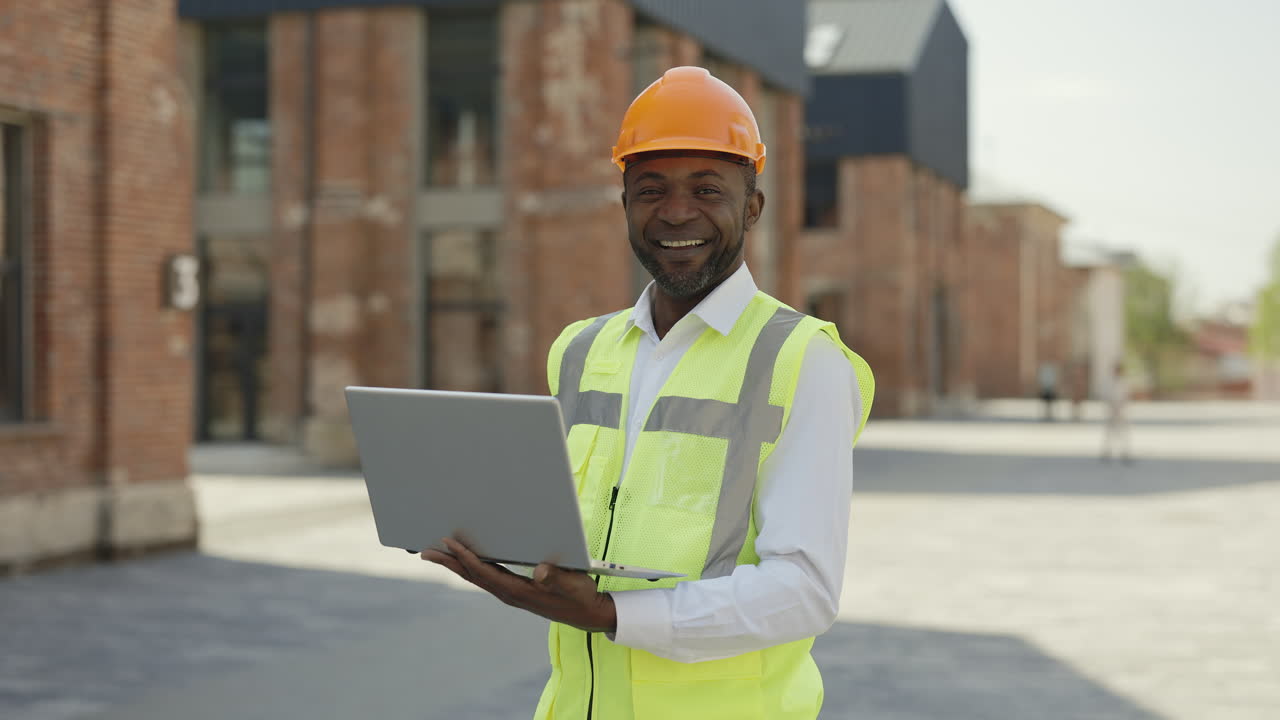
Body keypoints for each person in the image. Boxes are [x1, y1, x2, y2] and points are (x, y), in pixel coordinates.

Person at [422, 67, 874, 719]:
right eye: (651, 188)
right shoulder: (578, 351)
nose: (676, 211)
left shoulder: (803, 360)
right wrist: (507, 563)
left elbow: (804, 590)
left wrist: (608, 614)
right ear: (625, 202)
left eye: (706, 188)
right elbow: (581, 537)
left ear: (752, 205)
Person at [1101, 360, 1132, 463]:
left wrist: (1121, 407)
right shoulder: (1109, 382)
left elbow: (1126, 396)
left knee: (1123, 432)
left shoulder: (1124, 382)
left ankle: (1125, 452)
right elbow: (1106, 395)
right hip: (1111, 410)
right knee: (1109, 432)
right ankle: (1107, 452)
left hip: (1121, 410)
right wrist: (1111, 406)